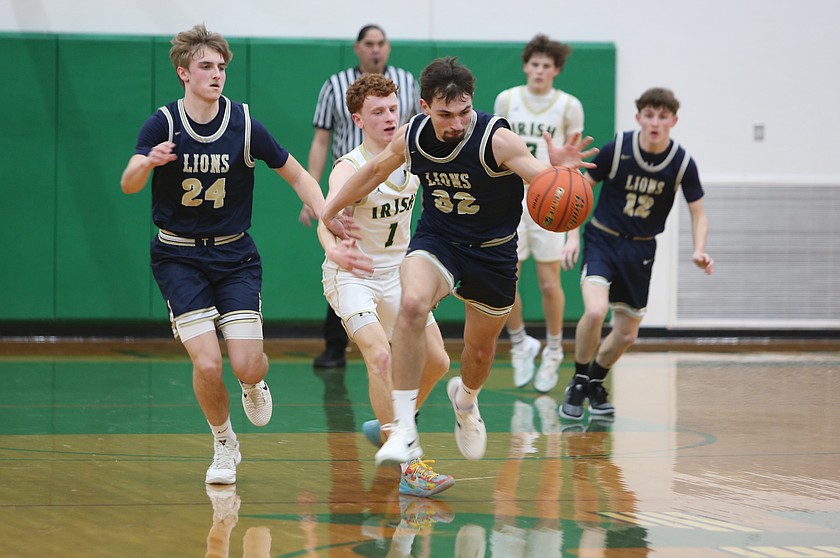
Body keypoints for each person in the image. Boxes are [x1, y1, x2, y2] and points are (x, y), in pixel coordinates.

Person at [320, 56, 597, 466]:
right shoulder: (413, 136)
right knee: (413, 303)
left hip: (493, 252)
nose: (456, 122)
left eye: (464, 111)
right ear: (425, 107)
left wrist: (559, 172)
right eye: (445, 113)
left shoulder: (495, 139)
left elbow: (539, 177)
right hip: (440, 241)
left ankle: (465, 402)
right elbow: (375, 170)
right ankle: (404, 431)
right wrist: (330, 210)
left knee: (479, 353)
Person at [120, 24, 350, 485]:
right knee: (206, 362)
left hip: (234, 257)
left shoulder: (244, 123)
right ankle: (224, 442)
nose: (216, 74)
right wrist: (146, 162)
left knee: (246, 362)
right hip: (178, 256)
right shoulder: (162, 124)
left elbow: (299, 174)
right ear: (184, 72)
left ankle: (253, 383)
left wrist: (325, 211)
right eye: (206, 66)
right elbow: (129, 182)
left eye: (221, 66)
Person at [317, 73, 454, 497]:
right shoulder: (349, 168)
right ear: (359, 119)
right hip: (354, 276)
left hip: (400, 273)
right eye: (378, 112)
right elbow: (328, 217)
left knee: (438, 363)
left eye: (394, 109)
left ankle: (389, 424)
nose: (389, 118)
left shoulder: (413, 154)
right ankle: (410, 463)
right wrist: (333, 247)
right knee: (380, 359)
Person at [560, 87, 714, 420]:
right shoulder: (617, 149)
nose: (655, 122)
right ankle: (579, 379)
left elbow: (698, 212)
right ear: (638, 117)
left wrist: (699, 250)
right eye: (649, 115)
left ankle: (596, 382)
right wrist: (572, 237)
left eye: (662, 116)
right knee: (596, 309)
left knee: (628, 333)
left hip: (641, 247)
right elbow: (580, 190)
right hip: (603, 238)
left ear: (673, 121)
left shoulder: (682, 163)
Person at [302, 24, 422, 369]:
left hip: (396, 262)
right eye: (369, 44)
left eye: (381, 43)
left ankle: (403, 413)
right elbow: (321, 140)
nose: (375, 49)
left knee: (434, 361)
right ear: (357, 48)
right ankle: (335, 347)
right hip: (355, 178)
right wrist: (313, 192)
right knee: (350, 248)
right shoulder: (335, 86)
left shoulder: (406, 89)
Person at [494, 34, 585, 393]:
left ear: (557, 70)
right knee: (507, 280)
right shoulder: (508, 99)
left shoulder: (568, 106)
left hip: (552, 200)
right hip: (510, 197)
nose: (539, 70)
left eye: (547, 65)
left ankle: (554, 348)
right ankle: (519, 344)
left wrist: (574, 231)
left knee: (549, 283)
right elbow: (494, 148)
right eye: (534, 64)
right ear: (525, 65)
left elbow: (575, 164)